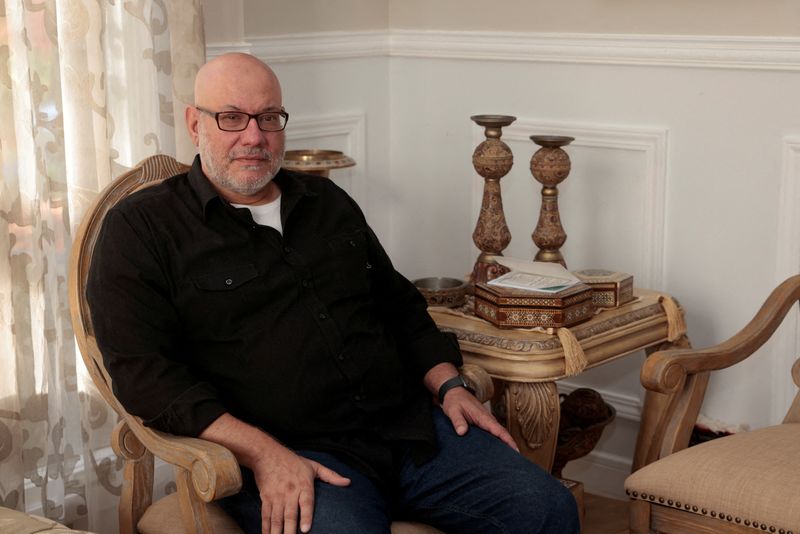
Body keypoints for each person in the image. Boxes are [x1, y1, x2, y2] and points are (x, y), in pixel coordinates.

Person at [87, 52, 579, 534]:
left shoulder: (326, 201)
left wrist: (449, 384)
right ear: (196, 124)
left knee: (548, 509)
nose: (254, 137)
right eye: (232, 118)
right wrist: (263, 454)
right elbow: (145, 377)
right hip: (295, 454)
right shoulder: (141, 229)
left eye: (268, 117)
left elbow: (399, 306)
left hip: (409, 431)